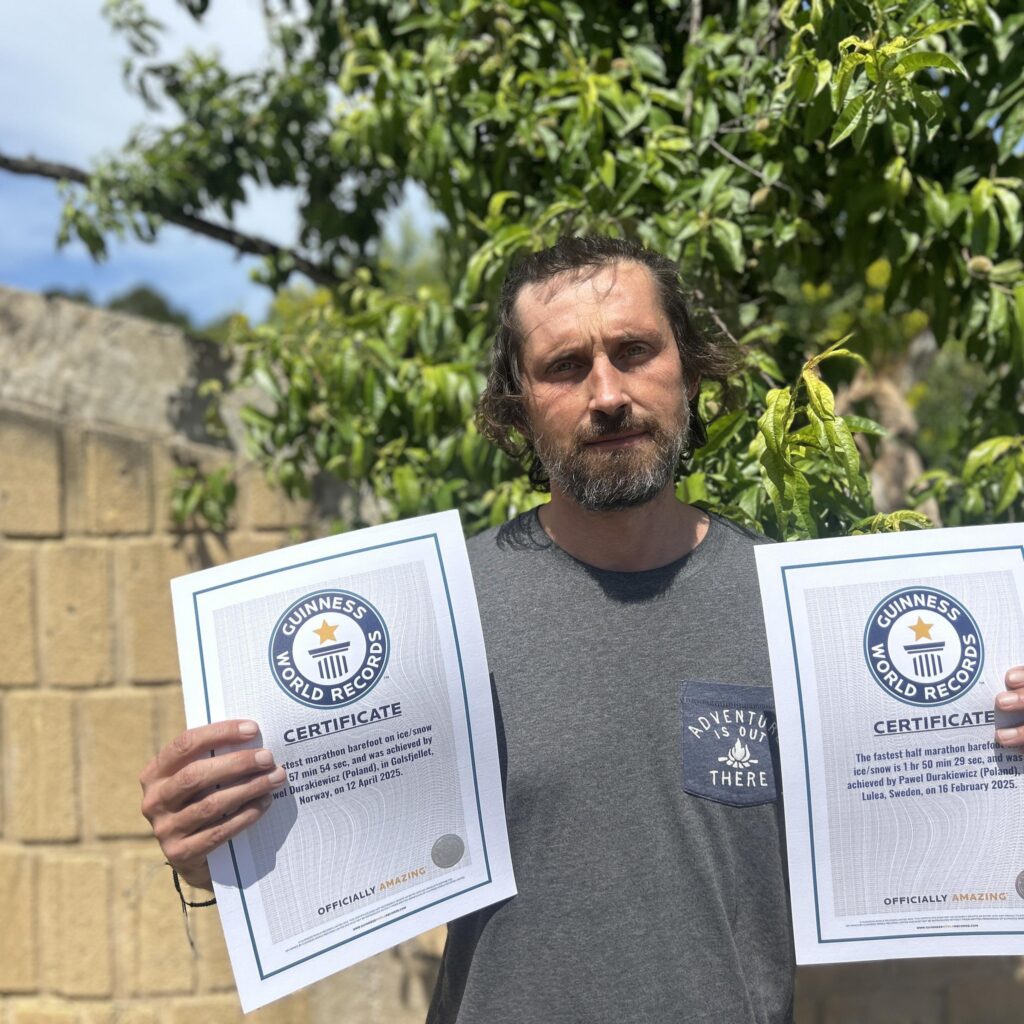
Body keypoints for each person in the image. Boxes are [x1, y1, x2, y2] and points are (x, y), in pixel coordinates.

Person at [140, 235, 1024, 1024]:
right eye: (565, 366)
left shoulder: (800, 615)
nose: (608, 394)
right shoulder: (435, 614)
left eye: (635, 351)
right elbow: (327, 835)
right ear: (519, 404)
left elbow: (927, 830)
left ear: (689, 370)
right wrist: (219, 843)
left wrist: (1007, 770)